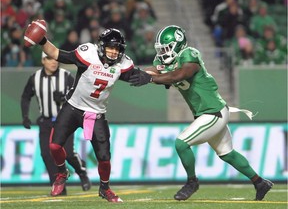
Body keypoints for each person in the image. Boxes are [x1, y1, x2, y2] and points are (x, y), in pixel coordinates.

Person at [129, 25, 274, 201]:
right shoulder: (167, 60)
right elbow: (154, 71)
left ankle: (192, 182)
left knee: (181, 143)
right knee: (227, 153)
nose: (163, 53)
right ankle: (260, 182)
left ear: (178, 44)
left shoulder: (189, 54)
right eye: (161, 49)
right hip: (209, 112)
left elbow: (179, 75)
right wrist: (131, 72)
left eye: (166, 48)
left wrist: (150, 78)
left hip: (213, 112)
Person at [24, 22, 148, 203]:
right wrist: (42, 40)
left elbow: (139, 75)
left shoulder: (123, 64)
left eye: (117, 49)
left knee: (104, 157)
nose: (114, 52)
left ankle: (105, 188)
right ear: (102, 47)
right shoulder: (87, 54)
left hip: (96, 113)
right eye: (110, 48)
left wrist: (154, 77)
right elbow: (57, 54)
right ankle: (61, 172)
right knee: (54, 146)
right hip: (73, 107)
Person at [21, 52, 91, 195]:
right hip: (46, 121)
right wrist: (25, 116)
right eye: (49, 59)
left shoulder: (66, 76)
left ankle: (81, 173)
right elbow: (25, 96)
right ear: (43, 61)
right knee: (46, 154)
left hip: (65, 121)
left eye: (55, 59)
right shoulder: (35, 78)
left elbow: (79, 94)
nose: (53, 62)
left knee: (69, 154)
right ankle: (59, 187)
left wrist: (65, 98)